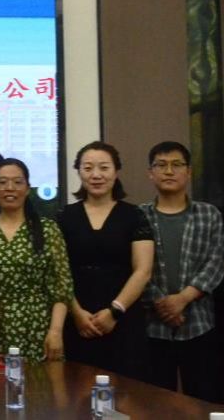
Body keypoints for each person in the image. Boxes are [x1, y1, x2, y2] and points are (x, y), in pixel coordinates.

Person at [59, 141, 153, 381]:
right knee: (77, 392)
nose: (96, 175)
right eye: (88, 168)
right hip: (78, 319)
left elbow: (143, 271)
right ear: (79, 172)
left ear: (116, 171)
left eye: (104, 167)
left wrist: (114, 312)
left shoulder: (135, 215)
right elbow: (58, 271)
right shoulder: (64, 217)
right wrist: (76, 312)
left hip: (124, 319)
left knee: (126, 392)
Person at [139, 141, 224, 401]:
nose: (169, 171)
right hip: (152, 325)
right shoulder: (138, 216)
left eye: (176, 165)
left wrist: (183, 299)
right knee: (154, 402)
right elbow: (135, 269)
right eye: (161, 165)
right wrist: (162, 303)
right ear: (150, 173)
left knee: (202, 401)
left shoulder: (209, 214)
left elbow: (215, 263)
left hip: (198, 323)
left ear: (188, 172)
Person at [0, 158, 73, 365]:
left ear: (28, 188)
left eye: (17, 182)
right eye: (2, 182)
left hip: (39, 329)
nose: (9, 188)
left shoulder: (48, 230)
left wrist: (55, 331)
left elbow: (62, 286)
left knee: (42, 385)